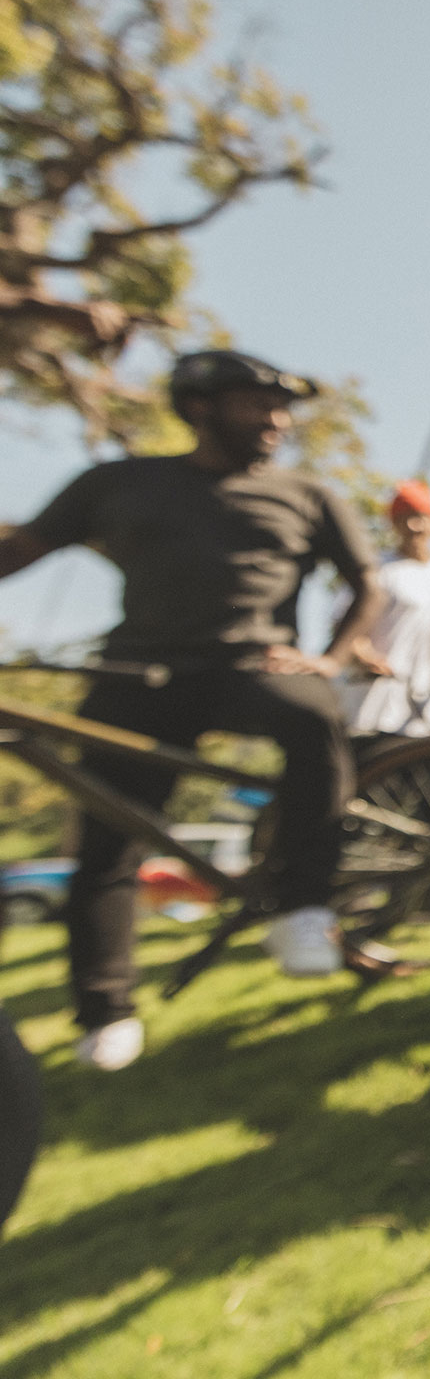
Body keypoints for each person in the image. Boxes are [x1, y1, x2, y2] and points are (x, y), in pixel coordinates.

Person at [0, 349, 382, 1071]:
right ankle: (105, 1012)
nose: (275, 421)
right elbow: (21, 548)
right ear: (200, 407)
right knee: (108, 841)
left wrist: (331, 658)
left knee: (313, 718)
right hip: (138, 673)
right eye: (256, 405)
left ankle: (305, 908)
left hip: (250, 667)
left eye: (282, 409)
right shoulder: (121, 483)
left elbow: (367, 583)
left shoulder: (308, 494)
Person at [335, 479, 430, 736]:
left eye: (420, 516)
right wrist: (363, 655)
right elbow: (342, 623)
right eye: (404, 518)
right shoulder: (378, 570)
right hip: (374, 701)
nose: (413, 526)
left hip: (425, 705)